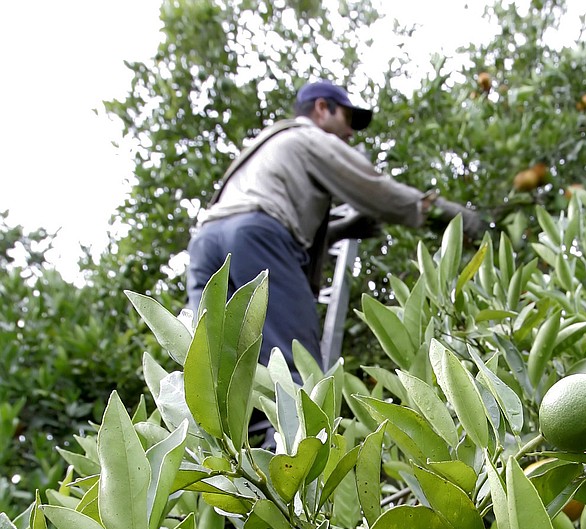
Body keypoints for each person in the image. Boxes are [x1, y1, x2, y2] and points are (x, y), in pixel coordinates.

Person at [186, 80, 485, 381]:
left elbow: (270, 216)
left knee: (210, 372)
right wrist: (450, 216)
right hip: (257, 238)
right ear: (321, 108)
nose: (351, 133)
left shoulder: (260, 146)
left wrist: (342, 229)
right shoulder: (306, 137)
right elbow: (376, 191)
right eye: (347, 118)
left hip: (205, 244)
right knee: (295, 372)